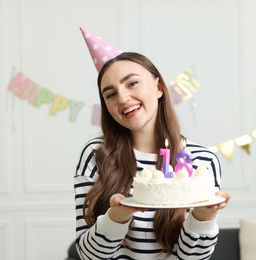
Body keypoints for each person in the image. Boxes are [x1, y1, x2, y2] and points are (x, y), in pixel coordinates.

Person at [74, 28, 231, 259]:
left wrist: (203, 217)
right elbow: (89, 256)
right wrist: (117, 216)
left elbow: (192, 258)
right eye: (110, 94)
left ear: (158, 87)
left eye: (132, 83)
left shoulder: (202, 160)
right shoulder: (96, 154)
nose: (123, 98)